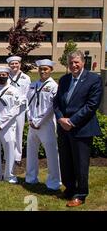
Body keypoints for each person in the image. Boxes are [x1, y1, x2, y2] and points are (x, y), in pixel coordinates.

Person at [54, 50, 102, 207]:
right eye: (71, 63)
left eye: (76, 62)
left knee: (80, 163)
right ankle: (69, 189)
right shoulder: (64, 79)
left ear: (82, 62)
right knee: (66, 161)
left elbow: (92, 105)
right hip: (63, 128)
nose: (73, 65)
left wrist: (72, 121)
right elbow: (57, 102)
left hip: (81, 128)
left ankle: (80, 194)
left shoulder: (94, 79)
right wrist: (61, 118)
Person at [26, 59, 61, 191]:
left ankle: (54, 181)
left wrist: (39, 121)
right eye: (41, 69)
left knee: (51, 154)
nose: (42, 71)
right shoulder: (33, 85)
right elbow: (27, 103)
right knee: (31, 152)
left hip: (46, 124)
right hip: (32, 123)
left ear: (51, 70)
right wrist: (30, 119)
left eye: (45, 69)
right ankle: (31, 177)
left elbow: (52, 106)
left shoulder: (54, 86)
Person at [6, 56, 31, 164]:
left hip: (20, 109)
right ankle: (8, 155)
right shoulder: (6, 77)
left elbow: (27, 93)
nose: (14, 66)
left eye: (16, 63)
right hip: (8, 109)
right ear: (9, 65)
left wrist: (19, 102)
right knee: (8, 132)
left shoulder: (25, 78)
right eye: (12, 64)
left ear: (20, 64)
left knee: (18, 132)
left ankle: (17, 156)